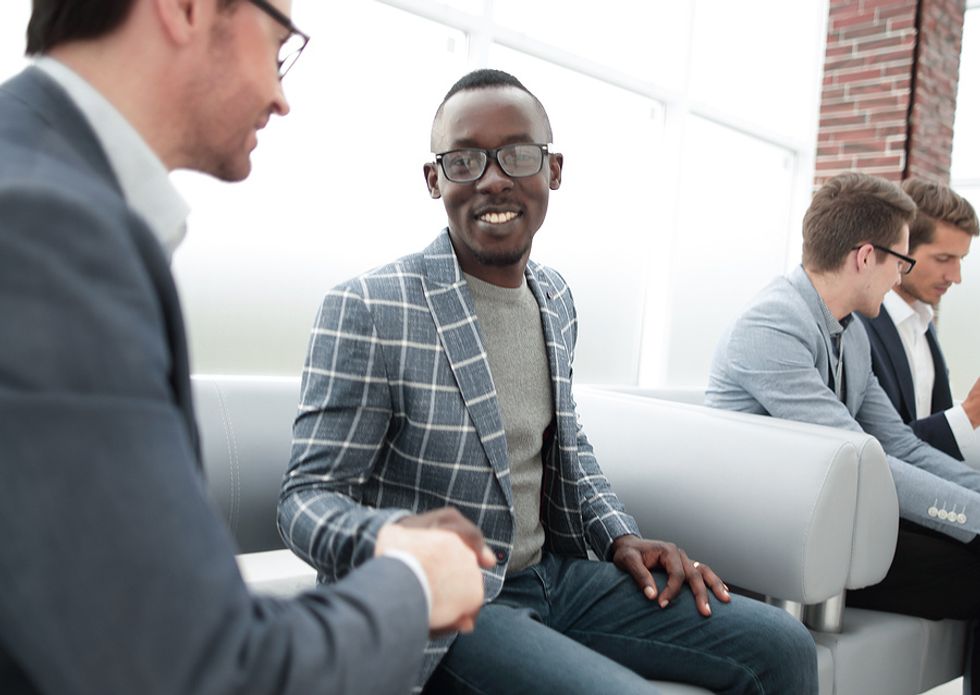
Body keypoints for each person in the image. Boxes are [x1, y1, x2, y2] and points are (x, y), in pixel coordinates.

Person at [0, 1, 490, 693]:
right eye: (280, 43)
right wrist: (414, 581)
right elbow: (197, 669)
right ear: (186, 9)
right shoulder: (47, 230)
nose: (281, 98)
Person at [278, 68, 818, 695]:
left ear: (553, 170)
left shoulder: (554, 297)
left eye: (517, 154)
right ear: (434, 181)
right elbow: (305, 500)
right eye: (464, 160)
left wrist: (619, 534)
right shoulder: (370, 307)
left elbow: (566, 448)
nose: (493, 178)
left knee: (783, 647)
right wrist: (393, 537)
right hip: (444, 608)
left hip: (555, 577)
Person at [706, 171, 980, 694]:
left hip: (836, 523)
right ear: (864, 257)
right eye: (900, 261)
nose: (902, 276)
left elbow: (897, 445)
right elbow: (860, 462)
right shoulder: (773, 326)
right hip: (781, 538)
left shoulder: (851, 332)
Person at [857, 178, 980, 465]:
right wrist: (969, 413)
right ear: (902, 246)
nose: (956, 277)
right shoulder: (857, 327)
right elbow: (880, 449)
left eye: (960, 259)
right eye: (943, 258)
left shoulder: (924, 324)